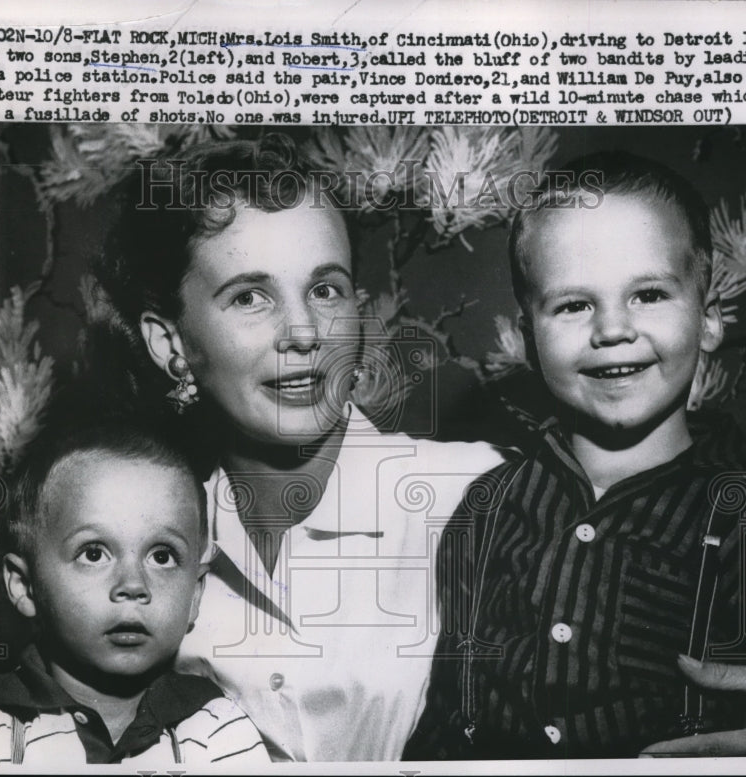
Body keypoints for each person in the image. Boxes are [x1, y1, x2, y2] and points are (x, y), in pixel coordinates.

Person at [90, 135, 506, 762]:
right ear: (170, 344)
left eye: (325, 289)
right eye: (250, 296)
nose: (305, 332)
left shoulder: (479, 493)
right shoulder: (148, 551)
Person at [403, 151, 746, 758]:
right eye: (574, 304)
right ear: (528, 339)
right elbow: (450, 708)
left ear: (708, 320)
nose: (612, 329)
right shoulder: (489, 506)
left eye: (648, 294)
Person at [0, 417, 268, 767]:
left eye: (162, 556)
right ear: (25, 586)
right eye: (94, 553)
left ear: (195, 595)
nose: (133, 586)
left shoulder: (220, 732)